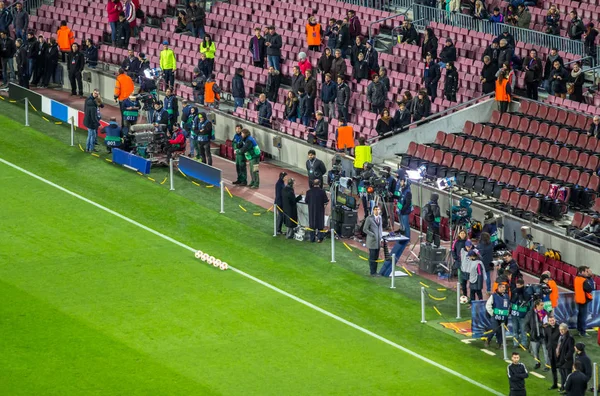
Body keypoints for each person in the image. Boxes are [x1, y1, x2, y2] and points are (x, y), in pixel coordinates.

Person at [524, 299, 549, 369]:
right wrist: (529, 332)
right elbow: (526, 324)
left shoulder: (545, 312)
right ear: (537, 305)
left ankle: (547, 365)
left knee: (546, 352)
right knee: (535, 352)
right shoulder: (530, 313)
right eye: (541, 305)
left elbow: (548, 322)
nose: (542, 306)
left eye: (543, 305)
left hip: (544, 335)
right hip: (534, 335)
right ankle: (537, 363)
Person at [485, 282, 510, 348]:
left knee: (501, 331)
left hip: (503, 317)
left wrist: (507, 313)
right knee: (495, 329)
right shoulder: (494, 296)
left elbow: (508, 305)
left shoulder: (506, 296)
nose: (504, 288)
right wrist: (492, 313)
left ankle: (500, 343)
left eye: (504, 287)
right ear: (499, 288)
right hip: (495, 316)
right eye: (503, 287)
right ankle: (488, 340)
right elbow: (488, 305)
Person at [510, 278, 530, 348]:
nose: (517, 287)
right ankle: (515, 343)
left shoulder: (526, 292)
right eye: (517, 285)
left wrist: (521, 294)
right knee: (515, 329)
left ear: (522, 285)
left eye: (519, 285)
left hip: (522, 314)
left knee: (523, 329)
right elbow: (512, 300)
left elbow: (527, 300)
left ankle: (524, 343)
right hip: (514, 313)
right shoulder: (514, 291)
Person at [574, 266, 594, 337]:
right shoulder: (584, 280)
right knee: (583, 317)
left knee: (580, 316)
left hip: (578, 299)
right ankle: (583, 332)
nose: (587, 273)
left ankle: (579, 330)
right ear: (582, 272)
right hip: (583, 300)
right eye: (586, 271)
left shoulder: (577, 278)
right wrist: (590, 277)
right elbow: (590, 288)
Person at [363, 205, 383, 276]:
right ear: (373, 210)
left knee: (376, 257)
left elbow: (380, 228)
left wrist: (381, 236)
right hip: (372, 241)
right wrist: (372, 234)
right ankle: (372, 272)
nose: (377, 211)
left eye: (378, 209)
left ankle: (375, 271)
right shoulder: (369, 218)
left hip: (378, 241)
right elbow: (365, 229)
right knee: (372, 257)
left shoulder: (380, 218)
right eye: (375, 209)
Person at [557, 322, 575, 392]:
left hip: (567, 361)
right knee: (562, 375)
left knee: (567, 376)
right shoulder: (561, 336)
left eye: (563, 329)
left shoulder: (570, 338)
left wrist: (565, 358)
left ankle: (567, 390)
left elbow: (571, 350)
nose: (561, 331)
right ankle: (562, 387)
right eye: (560, 329)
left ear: (566, 329)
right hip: (561, 360)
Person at [545, 315, 560, 389]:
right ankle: (555, 384)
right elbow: (546, 339)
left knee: (561, 369)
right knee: (553, 369)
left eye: (553, 320)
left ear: (555, 320)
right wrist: (547, 347)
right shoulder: (547, 328)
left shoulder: (560, 327)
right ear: (548, 321)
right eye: (550, 321)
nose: (552, 322)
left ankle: (564, 386)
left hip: (558, 352)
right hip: (551, 351)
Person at [394, 174, 412, 239]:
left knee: (406, 225)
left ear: (405, 182)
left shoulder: (408, 192)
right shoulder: (402, 189)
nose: (400, 182)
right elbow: (400, 198)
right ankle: (403, 236)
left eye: (402, 181)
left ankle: (407, 238)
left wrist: (403, 210)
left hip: (405, 211)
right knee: (402, 224)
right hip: (401, 209)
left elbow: (408, 203)